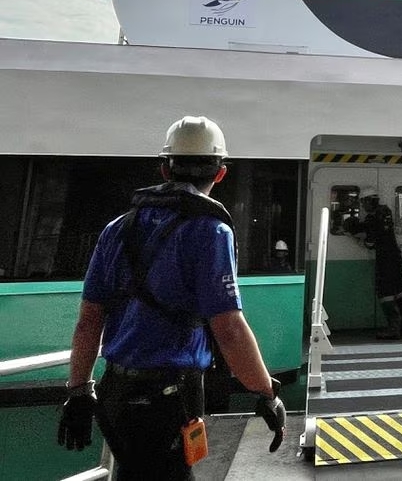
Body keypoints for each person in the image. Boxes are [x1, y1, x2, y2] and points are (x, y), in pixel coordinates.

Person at [57, 116, 285, 480]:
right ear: (221, 173)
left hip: (116, 390)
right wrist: (265, 392)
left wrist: (79, 389)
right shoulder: (211, 232)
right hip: (170, 397)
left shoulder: (117, 228)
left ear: (165, 169)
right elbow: (228, 328)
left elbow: (89, 321)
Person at [345, 187, 402, 339]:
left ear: (369, 201)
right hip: (395, 256)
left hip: (385, 259)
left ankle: (394, 328)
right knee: (399, 290)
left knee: (385, 293)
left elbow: (370, 241)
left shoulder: (372, 218)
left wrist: (353, 230)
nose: (363, 206)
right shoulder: (386, 212)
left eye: (363, 202)